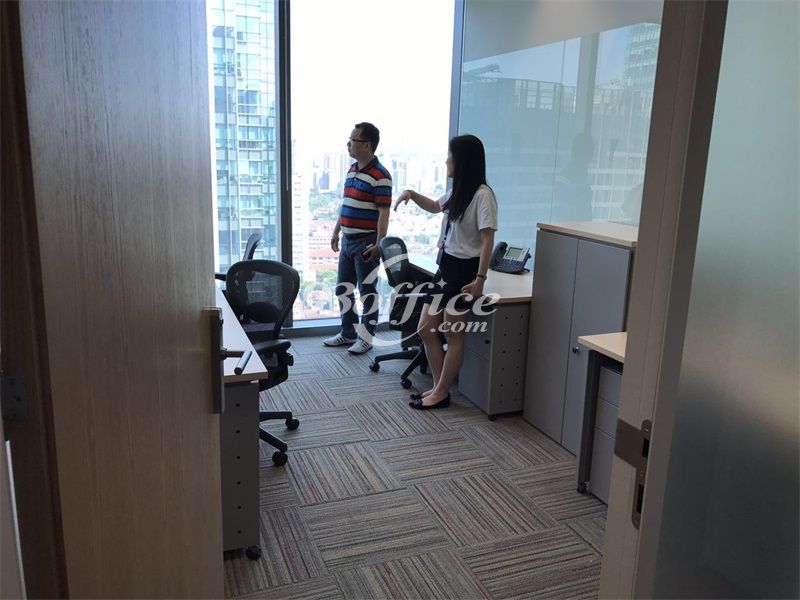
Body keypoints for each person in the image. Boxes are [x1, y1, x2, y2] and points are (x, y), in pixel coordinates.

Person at [393, 134, 497, 409]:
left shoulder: (483, 195)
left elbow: (488, 239)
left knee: (453, 334)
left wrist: (480, 280)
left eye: (450, 156)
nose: (447, 160)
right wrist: (412, 194)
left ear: (463, 161)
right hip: (446, 266)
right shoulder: (459, 192)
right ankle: (440, 388)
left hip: (465, 270)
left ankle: (439, 393)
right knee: (426, 329)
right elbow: (433, 206)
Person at [323, 122, 392, 354]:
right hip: (347, 240)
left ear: (367, 145)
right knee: (343, 289)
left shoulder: (381, 175)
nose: (348, 144)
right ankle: (348, 332)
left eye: (353, 140)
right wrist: (336, 231)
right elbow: (346, 205)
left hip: (366, 242)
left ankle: (366, 338)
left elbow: (384, 214)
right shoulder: (352, 169)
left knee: (367, 292)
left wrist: (379, 245)